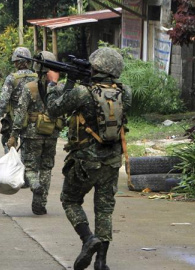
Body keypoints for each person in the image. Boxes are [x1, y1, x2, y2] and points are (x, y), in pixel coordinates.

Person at [45, 47, 132, 270]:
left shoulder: (83, 92)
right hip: (111, 162)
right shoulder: (125, 92)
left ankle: (87, 239)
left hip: (85, 161)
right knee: (104, 210)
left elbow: (54, 110)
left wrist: (60, 84)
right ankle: (101, 262)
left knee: (70, 200)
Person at [7, 51, 63, 215]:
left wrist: (13, 135)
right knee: (46, 168)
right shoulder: (59, 89)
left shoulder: (29, 88)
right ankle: (40, 204)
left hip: (32, 134)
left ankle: (34, 184)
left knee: (30, 168)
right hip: (51, 132)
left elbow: (20, 112)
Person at [0, 47, 37, 156]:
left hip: (14, 118)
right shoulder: (37, 77)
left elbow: (4, 98)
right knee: (28, 149)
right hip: (32, 119)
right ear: (28, 62)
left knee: (8, 143)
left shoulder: (11, 78)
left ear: (16, 63)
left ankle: (10, 165)